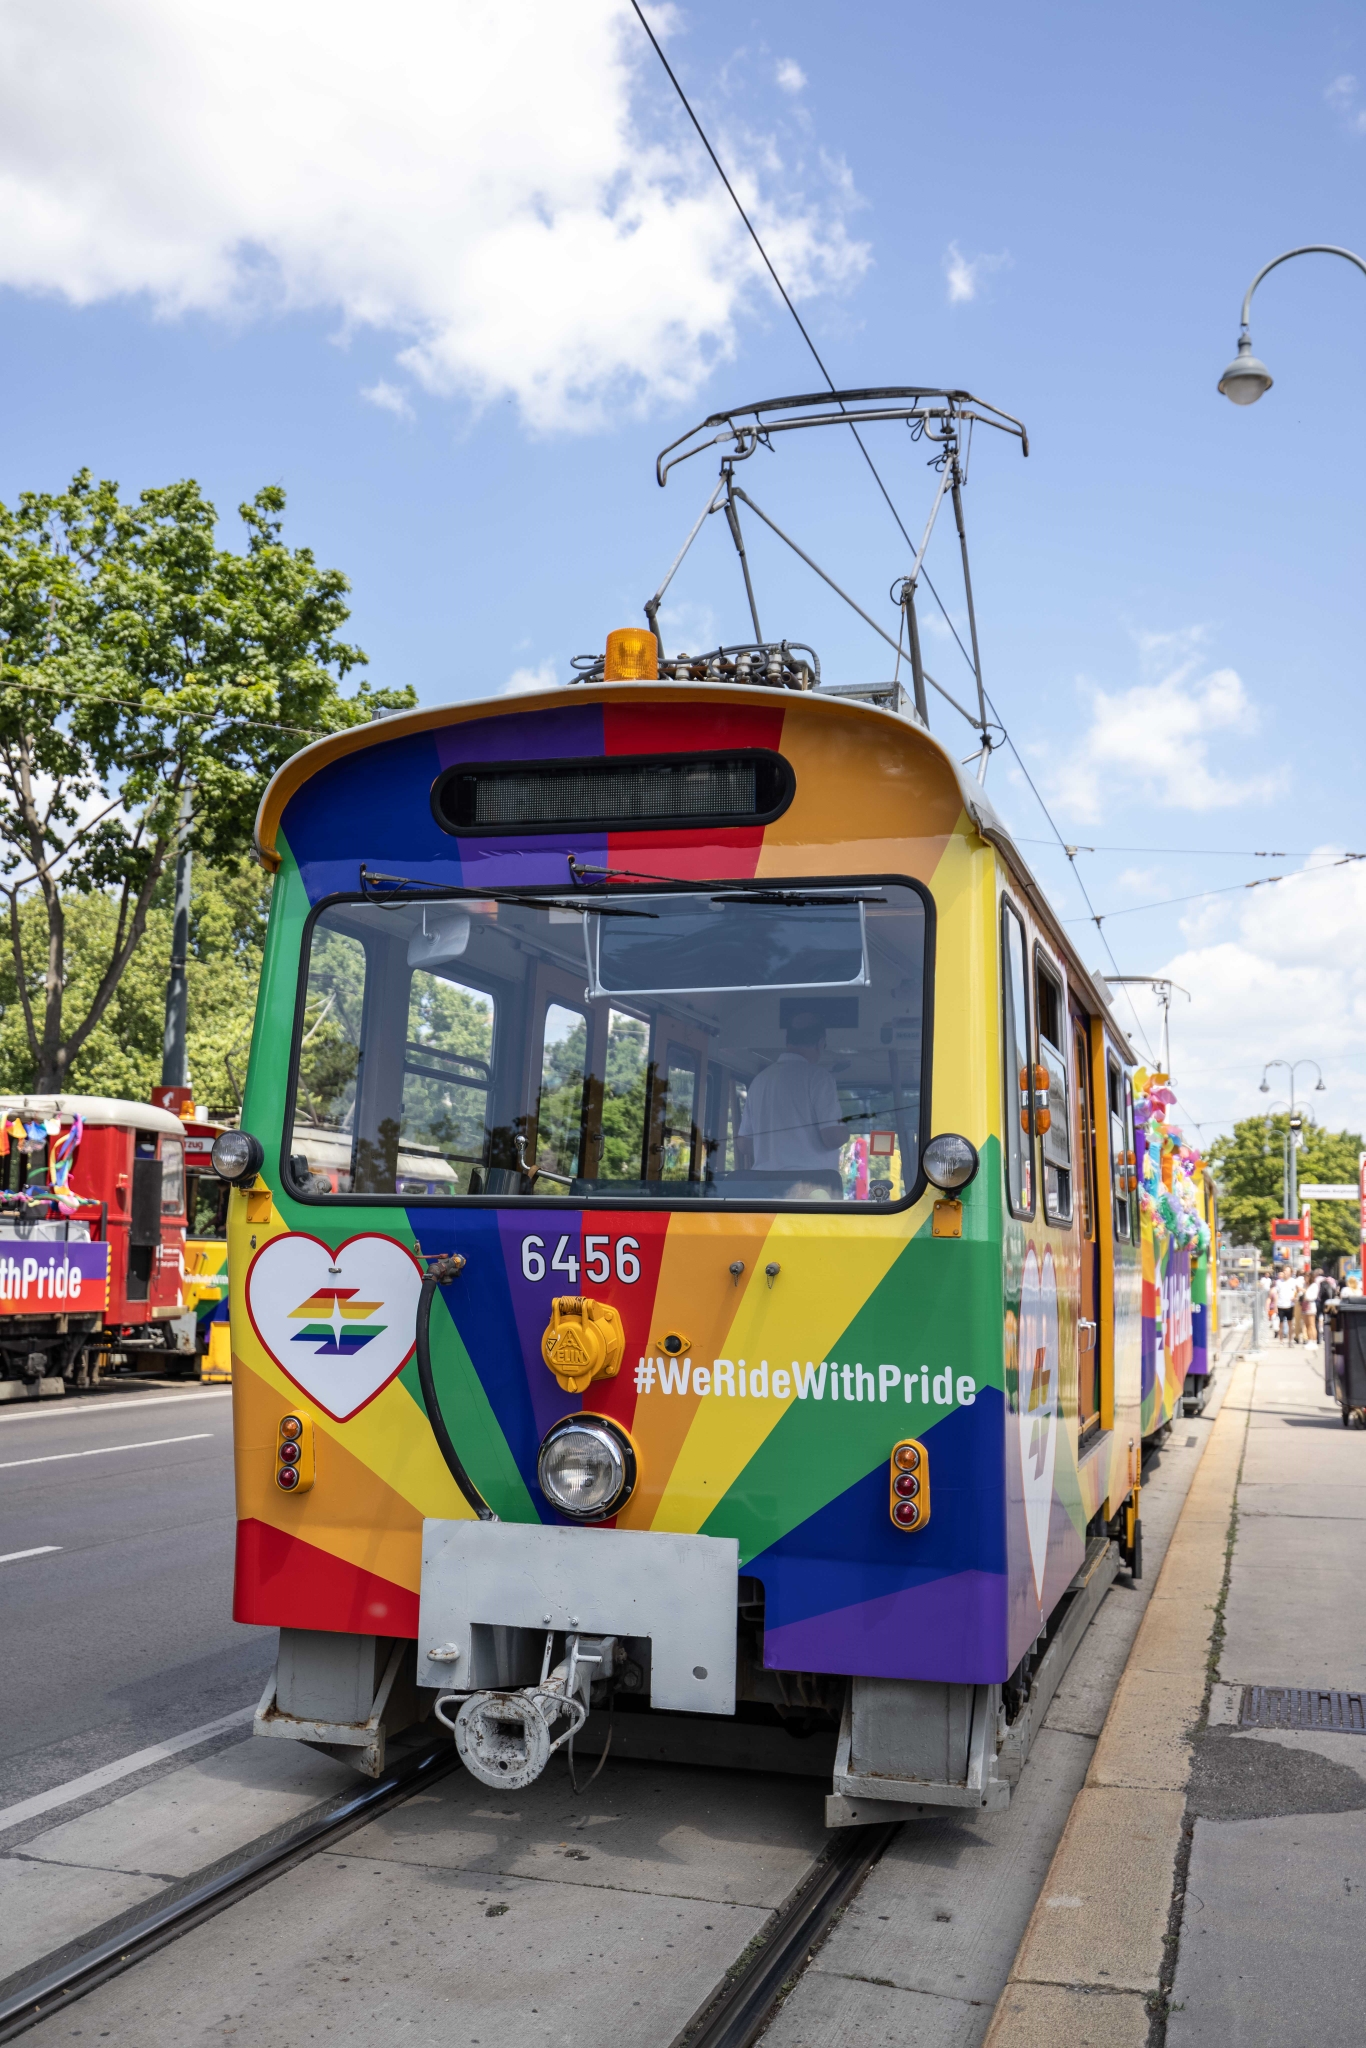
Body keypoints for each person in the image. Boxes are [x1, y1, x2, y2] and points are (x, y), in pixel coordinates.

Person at [736, 1011, 846, 1179]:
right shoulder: (819, 1078)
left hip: (764, 1189)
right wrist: (845, 1132)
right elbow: (832, 1138)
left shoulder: (759, 1081)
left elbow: (744, 1145)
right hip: (809, 1189)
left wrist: (774, 1147)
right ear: (820, 1043)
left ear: (787, 1042)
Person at [1273, 1270, 1298, 1341]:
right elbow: (1276, 1294)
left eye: (1287, 1271)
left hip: (1290, 1305)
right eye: (1284, 1271)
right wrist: (1275, 1306)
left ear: (1290, 1273)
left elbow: (1296, 1291)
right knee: (1281, 1324)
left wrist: (1294, 1297)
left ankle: (1290, 1340)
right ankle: (1281, 1341)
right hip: (1280, 1305)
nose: (1286, 1273)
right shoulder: (1279, 1282)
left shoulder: (1293, 1281)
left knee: (1290, 1324)